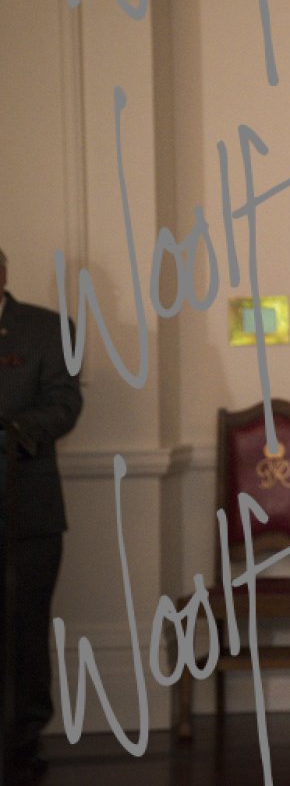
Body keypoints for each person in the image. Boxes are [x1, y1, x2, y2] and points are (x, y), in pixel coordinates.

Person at [1, 247, 83, 784]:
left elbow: (65, 404)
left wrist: (11, 433)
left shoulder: (49, 330)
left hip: (24, 511)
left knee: (23, 633)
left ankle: (20, 745)